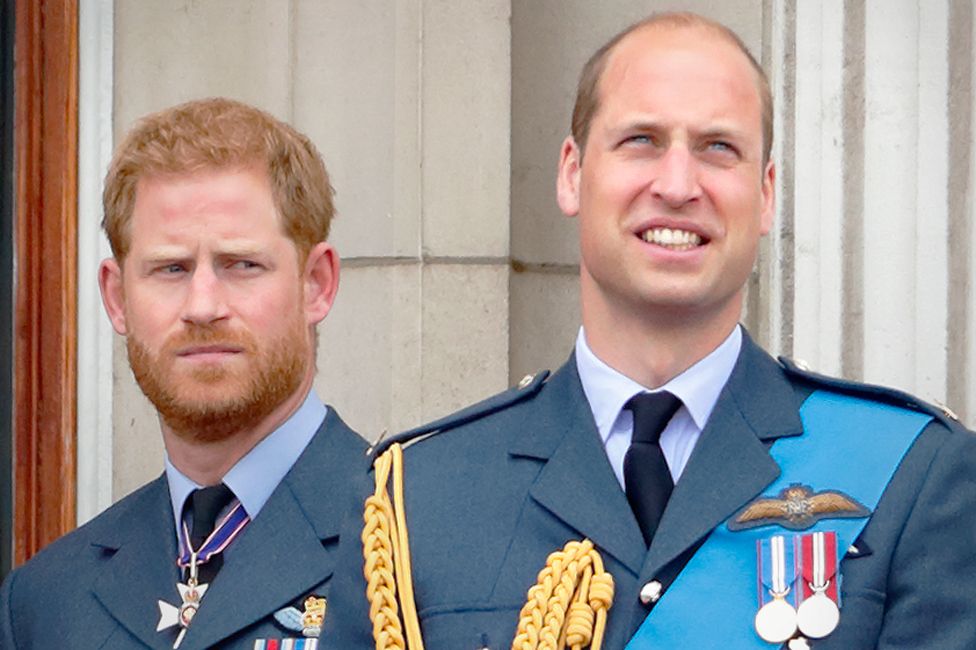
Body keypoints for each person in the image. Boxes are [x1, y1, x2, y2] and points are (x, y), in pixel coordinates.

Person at [324, 12, 976, 650]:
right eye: (641, 140)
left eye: (718, 148)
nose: (677, 184)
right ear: (573, 172)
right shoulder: (416, 500)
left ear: (767, 193)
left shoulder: (912, 476)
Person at [0, 98, 369, 649]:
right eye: (170, 268)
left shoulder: (413, 547)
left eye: (241, 265)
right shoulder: (47, 602)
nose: (202, 306)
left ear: (316, 283)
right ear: (116, 297)